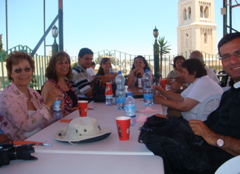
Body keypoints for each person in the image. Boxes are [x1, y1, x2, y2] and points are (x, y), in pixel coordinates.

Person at [146, 32, 240, 174]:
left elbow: (185, 107)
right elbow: (207, 123)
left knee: (153, 152)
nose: (232, 61)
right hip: (204, 146)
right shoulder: (230, 93)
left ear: (193, 72)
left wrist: (214, 138)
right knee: (154, 127)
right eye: (226, 56)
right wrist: (174, 124)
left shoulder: (203, 83)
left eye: (238, 53)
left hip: (220, 163)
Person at [0, 51, 59, 141]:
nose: (23, 73)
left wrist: (55, 110)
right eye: (17, 70)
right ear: (11, 74)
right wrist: (47, 104)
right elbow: (25, 126)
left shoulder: (33, 93)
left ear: (32, 71)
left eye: (27, 69)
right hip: (22, 146)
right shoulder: (6, 97)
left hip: (43, 139)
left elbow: (46, 120)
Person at [154, 58, 223, 121]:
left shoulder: (202, 83)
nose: (182, 75)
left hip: (198, 124)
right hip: (191, 118)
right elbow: (181, 98)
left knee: (159, 118)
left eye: (184, 72)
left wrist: (162, 101)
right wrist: (161, 90)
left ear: (194, 73)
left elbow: (184, 107)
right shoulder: (198, 81)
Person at [41, 51, 78, 116]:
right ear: (53, 67)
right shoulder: (50, 84)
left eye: (66, 62)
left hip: (73, 120)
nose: (64, 65)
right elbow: (49, 111)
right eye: (60, 63)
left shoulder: (67, 83)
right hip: (58, 123)